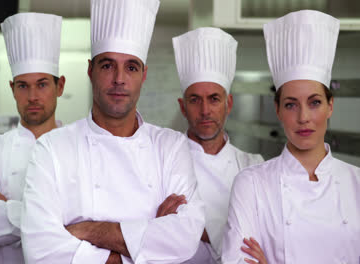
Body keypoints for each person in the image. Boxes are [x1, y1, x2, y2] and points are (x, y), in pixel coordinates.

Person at [20, 0, 206, 263]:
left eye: (131, 67)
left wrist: (87, 230)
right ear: (90, 71)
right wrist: (147, 237)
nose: (119, 78)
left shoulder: (170, 146)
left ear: (143, 75)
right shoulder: (52, 148)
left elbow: (185, 238)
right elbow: (40, 250)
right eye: (107, 65)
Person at [221, 10, 360, 264]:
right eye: (291, 104)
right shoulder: (251, 185)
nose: (303, 117)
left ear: (331, 105)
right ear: (278, 110)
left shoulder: (357, 183)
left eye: (315, 102)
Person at [0, 13, 65, 264]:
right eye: (22, 85)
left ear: (59, 86)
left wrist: (7, 206)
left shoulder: (80, 145)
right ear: (12, 88)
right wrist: (58, 220)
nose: (32, 96)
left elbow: (92, 220)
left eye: (42, 84)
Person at [173, 27, 264, 264]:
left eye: (214, 99)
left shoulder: (253, 166)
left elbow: (262, 240)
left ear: (229, 103)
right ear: (183, 107)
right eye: (195, 100)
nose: (205, 111)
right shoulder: (164, 161)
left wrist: (188, 223)